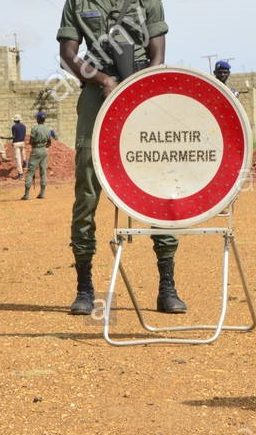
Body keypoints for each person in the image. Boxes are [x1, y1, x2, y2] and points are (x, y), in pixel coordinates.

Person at [57, 0, 187, 315]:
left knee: (158, 181)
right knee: (87, 184)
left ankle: (167, 286)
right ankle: (85, 287)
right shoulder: (78, 2)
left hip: (141, 86)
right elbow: (68, 55)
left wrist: (136, 86)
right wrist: (103, 80)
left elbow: (158, 56)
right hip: (96, 89)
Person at [21, 112, 51, 200]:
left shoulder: (35, 128)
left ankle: (26, 195)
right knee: (43, 172)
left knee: (30, 172)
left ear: (37, 119)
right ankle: (42, 193)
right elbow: (49, 142)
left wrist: (35, 145)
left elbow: (31, 141)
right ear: (44, 119)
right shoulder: (47, 129)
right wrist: (44, 146)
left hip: (36, 150)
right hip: (44, 151)